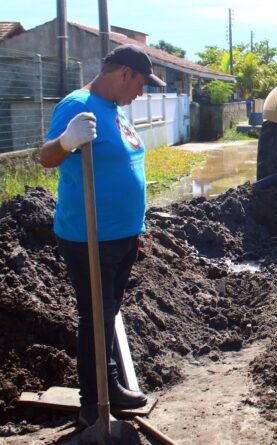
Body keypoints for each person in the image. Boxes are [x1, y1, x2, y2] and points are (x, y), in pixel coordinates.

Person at [39, 44, 165, 427]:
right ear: (124, 73)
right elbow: (44, 157)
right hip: (89, 235)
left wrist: (136, 228)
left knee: (107, 313)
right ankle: (95, 400)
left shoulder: (113, 111)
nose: (141, 94)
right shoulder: (77, 105)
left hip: (121, 235)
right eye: (141, 84)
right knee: (95, 315)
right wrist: (66, 142)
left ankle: (110, 385)